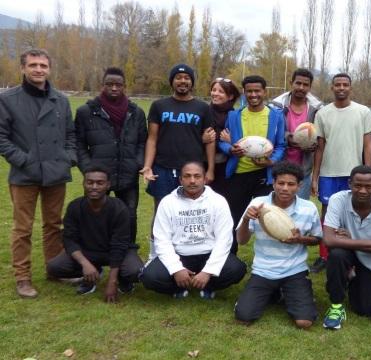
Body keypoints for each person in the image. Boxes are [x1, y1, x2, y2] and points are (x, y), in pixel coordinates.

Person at [0, 48, 76, 298]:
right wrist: (24, 160)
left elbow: (70, 135)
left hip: (55, 171)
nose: (38, 69)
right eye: (33, 65)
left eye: (43, 65)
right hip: (25, 174)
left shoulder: (61, 100)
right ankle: (22, 277)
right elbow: (2, 138)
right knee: (23, 228)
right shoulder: (8, 99)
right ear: (23, 68)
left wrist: (68, 158)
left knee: (54, 224)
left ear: (49, 69)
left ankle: (55, 269)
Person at [235, 161, 323, 328]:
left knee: (304, 322)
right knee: (243, 317)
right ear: (273, 183)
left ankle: (291, 292)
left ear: (299, 185)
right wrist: (246, 219)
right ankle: (274, 292)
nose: (285, 188)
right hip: (263, 270)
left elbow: (318, 239)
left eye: (291, 184)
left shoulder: (308, 208)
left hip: (294, 270)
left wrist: (300, 240)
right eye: (280, 183)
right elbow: (242, 240)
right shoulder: (258, 204)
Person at [140, 161, 247, 299]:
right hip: (179, 254)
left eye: (197, 176)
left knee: (236, 269)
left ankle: (208, 286)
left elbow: (224, 239)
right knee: (150, 277)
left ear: (204, 179)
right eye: (187, 176)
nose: (192, 181)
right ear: (180, 179)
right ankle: (178, 288)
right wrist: (176, 269)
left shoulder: (218, 201)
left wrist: (208, 271)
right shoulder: (168, 202)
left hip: (208, 253)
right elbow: (162, 240)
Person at [310, 73, 371, 273]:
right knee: (327, 213)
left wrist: (367, 171)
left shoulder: (363, 111)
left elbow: (368, 144)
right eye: (337, 84)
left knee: (354, 213)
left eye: (345, 84)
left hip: (354, 174)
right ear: (332, 88)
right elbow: (319, 147)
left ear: (350, 87)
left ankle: (353, 254)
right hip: (329, 173)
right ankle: (325, 255)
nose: (341, 88)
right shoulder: (322, 113)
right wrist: (315, 177)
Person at [46, 166, 144, 302]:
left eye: (100, 183)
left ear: (108, 185)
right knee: (54, 267)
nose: (94, 187)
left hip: (117, 251)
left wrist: (112, 281)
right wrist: (85, 263)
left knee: (135, 271)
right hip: (88, 252)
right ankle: (91, 275)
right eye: (90, 182)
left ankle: (123, 279)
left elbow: (119, 245)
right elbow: (69, 240)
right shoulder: (75, 207)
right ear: (83, 184)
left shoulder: (119, 208)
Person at [75, 67, 148, 246]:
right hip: (97, 176)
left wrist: (137, 163)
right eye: (110, 84)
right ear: (103, 85)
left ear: (124, 86)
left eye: (118, 85)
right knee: (94, 213)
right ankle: (93, 250)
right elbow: (78, 144)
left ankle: (127, 250)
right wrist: (89, 169)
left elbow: (142, 142)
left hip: (127, 174)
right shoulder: (86, 112)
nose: (114, 88)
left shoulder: (136, 113)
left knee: (129, 214)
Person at [322, 166, 371, 330]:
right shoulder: (338, 199)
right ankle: (336, 306)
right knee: (337, 255)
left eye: (368, 186)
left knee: (364, 309)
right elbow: (328, 239)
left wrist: (352, 240)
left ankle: (350, 276)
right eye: (357, 185)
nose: (363, 190)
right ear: (349, 184)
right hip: (350, 252)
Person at [218, 75, 286, 254]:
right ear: (244, 92)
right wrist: (230, 149)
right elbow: (222, 141)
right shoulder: (234, 116)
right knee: (232, 218)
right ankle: (229, 258)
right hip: (238, 175)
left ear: (264, 92)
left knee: (267, 219)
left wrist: (272, 161)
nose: (253, 94)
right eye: (249, 91)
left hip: (264, 176)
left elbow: (280, 145)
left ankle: (268, 258)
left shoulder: (276, 116)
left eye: (257, 91)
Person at [140, 64, 215, 210]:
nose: (183, 81)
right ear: (172, 81)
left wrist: (210, 169)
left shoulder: (203, 108)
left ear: (192, 82)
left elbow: (210, 141)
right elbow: (152, 138)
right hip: (163, 168)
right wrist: (148, 166)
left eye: (187, 78)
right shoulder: (159, 106)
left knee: (190, 211)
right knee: (161, 210)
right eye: (178, 77)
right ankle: (157, 235)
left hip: (192, 170)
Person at [270, 68, 323, 200]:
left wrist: (313, 143)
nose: (301, 87)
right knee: (277, 210)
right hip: (279, 168)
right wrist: (288, 137)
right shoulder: (276, 106)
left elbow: (321, 135)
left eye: (305, 85)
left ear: (310, 87)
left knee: (300, 210)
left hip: (303, 171)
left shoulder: (317, 109)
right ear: (291, 83)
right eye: (298, 83)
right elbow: (270, 132)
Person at [202, 77, 241, 197]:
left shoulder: (235, 116)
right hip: (202, 163)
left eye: (220, 91)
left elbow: (241, 140)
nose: (215, 94)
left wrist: (231, 141)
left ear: (230, 96)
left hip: (225, 165)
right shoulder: (203, 111)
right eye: (214, 90)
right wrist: (202, 139)